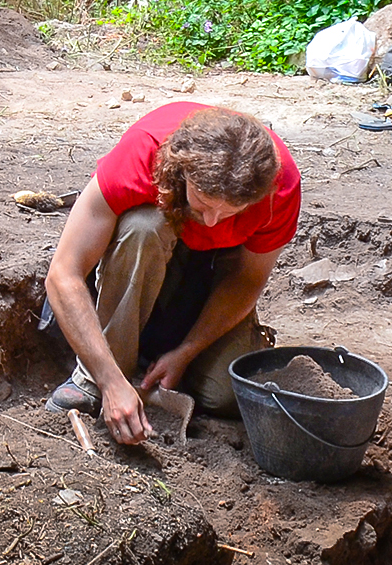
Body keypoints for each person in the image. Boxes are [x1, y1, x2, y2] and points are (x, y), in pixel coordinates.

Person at [43, 102, 300, 445]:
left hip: (211, 270)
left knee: (223, 395)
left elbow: (246, 280)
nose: (212, 222)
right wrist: (109, 380)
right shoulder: (142, 154)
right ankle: (97, 374)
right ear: (181, 173)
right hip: (139, 254)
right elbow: (63, 273)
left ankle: (155, 360)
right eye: (203, 203)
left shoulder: (279, 187)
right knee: (143, 227)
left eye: (231, 212)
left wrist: (187, 351)